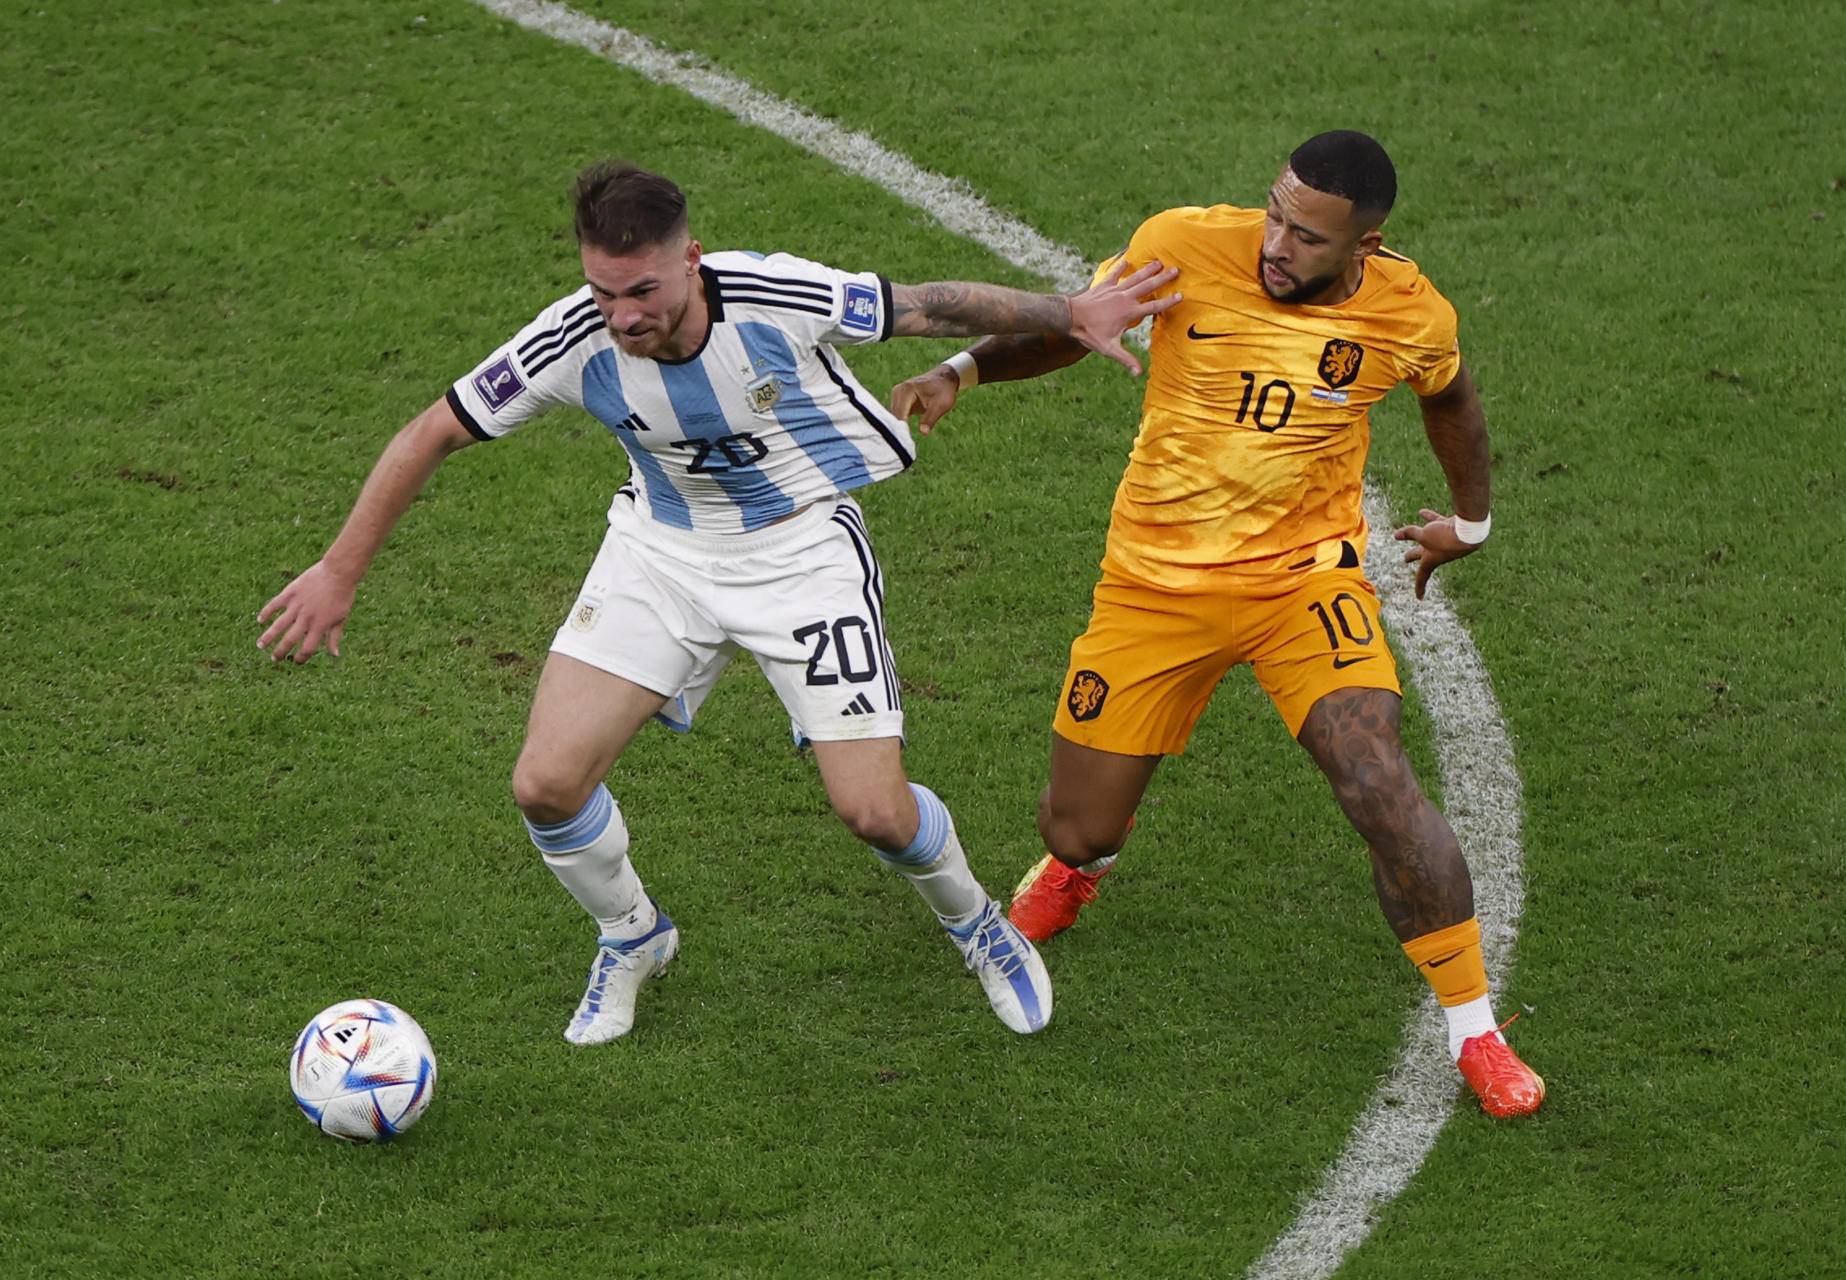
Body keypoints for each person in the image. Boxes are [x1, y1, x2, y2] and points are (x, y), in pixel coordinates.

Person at [257, 160, 1180, 1045]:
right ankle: (632, 934)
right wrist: (339, 571)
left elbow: (926, 305)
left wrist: (1071, 310)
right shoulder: (571, 339)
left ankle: (976, 922)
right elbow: (432, 431)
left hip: (803, 555)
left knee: (876, 814)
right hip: (661, 553)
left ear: (690, 261)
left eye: (643, 292)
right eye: (604, 292)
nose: (621, 317)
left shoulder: (778, 295)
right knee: (544, 784)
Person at [888, 131, 1542, 1116]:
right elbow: (1079, 325)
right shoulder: (1186, 246)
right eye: (1275, 213)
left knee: (1379, 784)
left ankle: (1475, 1027)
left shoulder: (1409, 311)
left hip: (1303, 584)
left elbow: (1450, 395)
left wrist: (1474, 519)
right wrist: (961, 372)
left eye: (1308, 235)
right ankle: (1081, 869)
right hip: (1154, 586)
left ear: (1367, 242)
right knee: (1072, 824)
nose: (1278, 242)